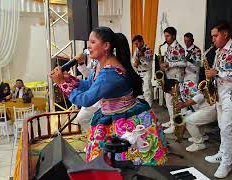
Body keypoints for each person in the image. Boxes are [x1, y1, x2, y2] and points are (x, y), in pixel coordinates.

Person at [49, 26, 167, 165]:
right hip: (111, 115)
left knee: (127, 163)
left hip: (125, 120)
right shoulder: (101, 66)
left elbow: (86, 100)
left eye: (93, 42)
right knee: (109, 161)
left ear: (106, 46)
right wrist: (69, 79)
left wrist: (62, 83)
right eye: (88, 43)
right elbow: (89, 85)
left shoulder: (110, 73)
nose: (88, 46)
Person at [204, 21, 232, 178]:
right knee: (222, 126)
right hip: (220, 94)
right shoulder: (218, 51)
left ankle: (226, 163)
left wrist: (218, 73)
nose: (213, 39)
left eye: (215, 36)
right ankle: (222, 153)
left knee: (227, 128)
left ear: (225, 34)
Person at [163, 79, 217, 152]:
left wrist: (184, 104)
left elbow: (200, 96)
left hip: (210, 109)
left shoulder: (188, 85)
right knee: (186, 115)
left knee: (188, 121)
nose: (172, 95)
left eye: (171, 92)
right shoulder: (180, 91)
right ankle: (201, 136)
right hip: (202, 109)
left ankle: (199, 144)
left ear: (173, 87)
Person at [160, 27, 187, 134]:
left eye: (168, 36)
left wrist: (170, 64)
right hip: (169, 76)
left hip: (176, 78)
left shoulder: (179, 48)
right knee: (168, 101)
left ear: (174, 36)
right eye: (165, 36)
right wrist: (164, 66)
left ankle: (176, 124)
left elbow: (184, 63)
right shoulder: (169, 47)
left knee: (175, 101)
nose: (166, 38)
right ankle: (172, 121)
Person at [132, 35, 153, 107]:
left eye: (137, 43)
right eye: (135, 44)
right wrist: (136, 61)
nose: (136, 45)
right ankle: (143, 108)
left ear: (142, 41)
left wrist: (142, 57)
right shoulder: (137, 50)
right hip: (139, 72)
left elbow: (148, 63)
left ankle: (149, 108)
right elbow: (134, 61)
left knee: (147, 91)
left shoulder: (148, 49)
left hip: (146, 72)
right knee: (140, 92)